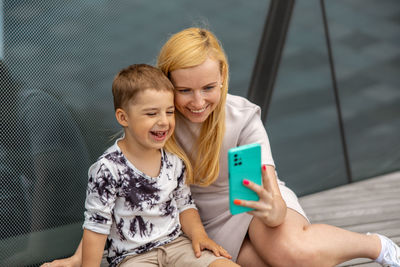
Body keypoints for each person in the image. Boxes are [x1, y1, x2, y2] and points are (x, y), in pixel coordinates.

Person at [42, 28, 400, 267]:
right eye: (184, 91)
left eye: (209, 88)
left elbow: (268, 188)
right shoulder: (160, 121)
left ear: (223, 77)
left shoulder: (242, 116)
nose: (197, 103)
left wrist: (273, 211)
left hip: (248, 204)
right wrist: (79, 258)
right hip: (196, 223)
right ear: (167, 84)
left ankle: (374, 245)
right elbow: (111, 199)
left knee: (292, 253)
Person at [80, 64, 237, 267]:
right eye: (152, 113)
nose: (164, 121)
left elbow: (184, 204)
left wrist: (200, 235)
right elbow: (96, 225)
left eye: (169, 112)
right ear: (123, 117)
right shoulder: (107, 169)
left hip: (177, 246)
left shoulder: (174, 160)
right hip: (132, 258)